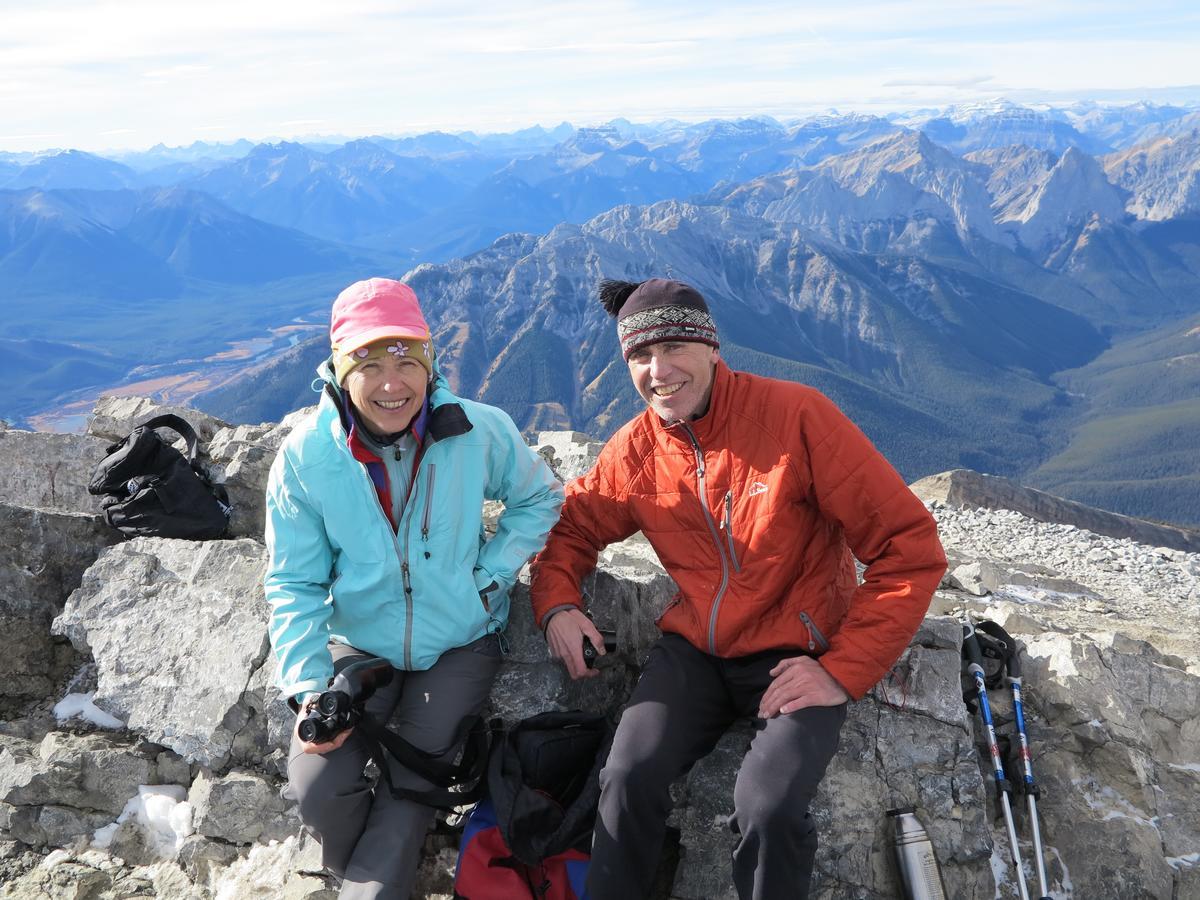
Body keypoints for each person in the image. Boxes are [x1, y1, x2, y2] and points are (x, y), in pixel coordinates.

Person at [529, 277, 947, 900]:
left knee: (768, 806)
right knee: (626, 776)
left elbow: (909, 549)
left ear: (712, 349)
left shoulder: (794, 418)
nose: (658, 370)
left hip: (796, 652)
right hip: (696, 651)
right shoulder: (636, 450)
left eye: (674, 348)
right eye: (640, 357)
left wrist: (840, 671)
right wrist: (558, 603)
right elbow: (570, 529)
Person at [264, 277, 563, 899]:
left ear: (430, 364)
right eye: (369, 363)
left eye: (407, 359)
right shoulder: (305, 457)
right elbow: (293, 581)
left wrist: (486, 579)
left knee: (411, 780)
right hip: (358, 645)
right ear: (340, 373)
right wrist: (308, 691)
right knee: (318, 787)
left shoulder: (476, 430)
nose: (392, 382)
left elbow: (539, 495)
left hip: (461, 639)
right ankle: (374, 876)